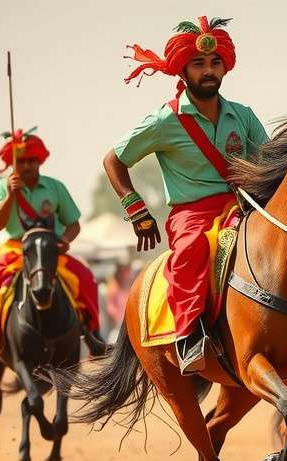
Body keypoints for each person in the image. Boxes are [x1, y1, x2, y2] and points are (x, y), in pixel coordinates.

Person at [104, 16, 269, 374]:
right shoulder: (164, 121)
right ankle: (189, 338)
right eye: (198, 64)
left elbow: (270, 162)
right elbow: (113, 160)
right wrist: (136, 210)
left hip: (242, 206)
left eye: (215, 62)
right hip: (193, 214)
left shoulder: (243, 115)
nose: (208, 71)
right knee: (192, 250)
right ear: (182, 70)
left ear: (225, 66)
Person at [0, 129, 102, 371]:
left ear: (40, 161)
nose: (26, 166)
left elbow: (73, 224)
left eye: (31, 160)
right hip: (15, 250)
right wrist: (10, 196)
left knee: (86, 278)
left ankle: (92, 335)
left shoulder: (55, 187)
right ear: (13, 163)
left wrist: (65, 240)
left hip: (50, 249)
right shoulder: (1, 188)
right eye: (21, 161)